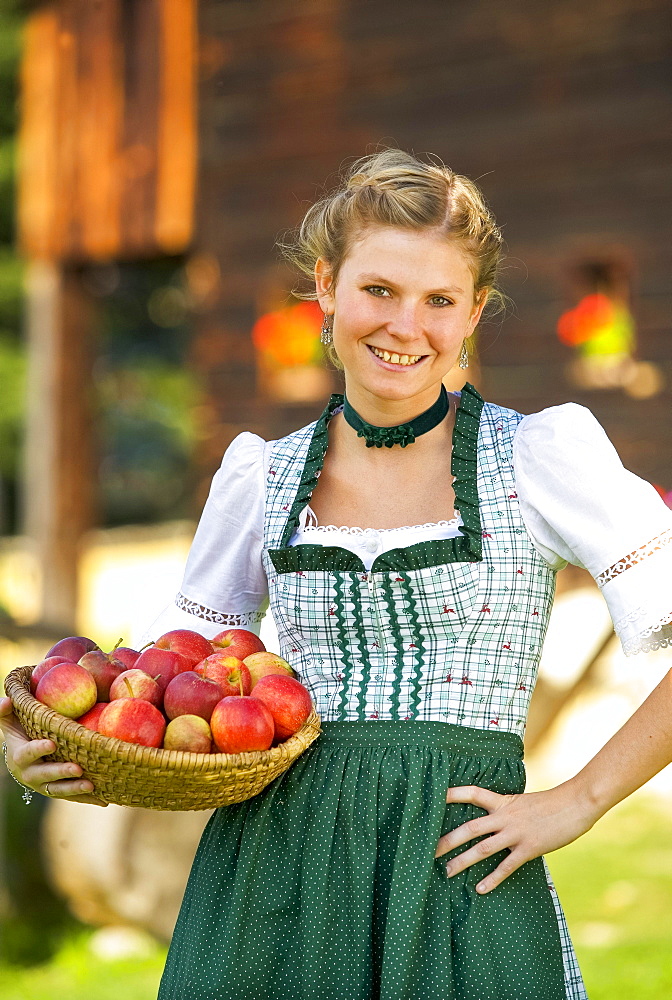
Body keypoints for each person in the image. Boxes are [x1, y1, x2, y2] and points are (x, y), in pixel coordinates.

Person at [2, 147, 672, 1000]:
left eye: (440, 301)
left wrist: (579, 798)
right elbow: (179, 697)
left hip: (459, 876)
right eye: (380, 290)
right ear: (326, 287)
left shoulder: (536, 459)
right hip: (269, 888)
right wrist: (64, 752)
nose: (406, 326)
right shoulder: (262, 478)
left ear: (472, 317)